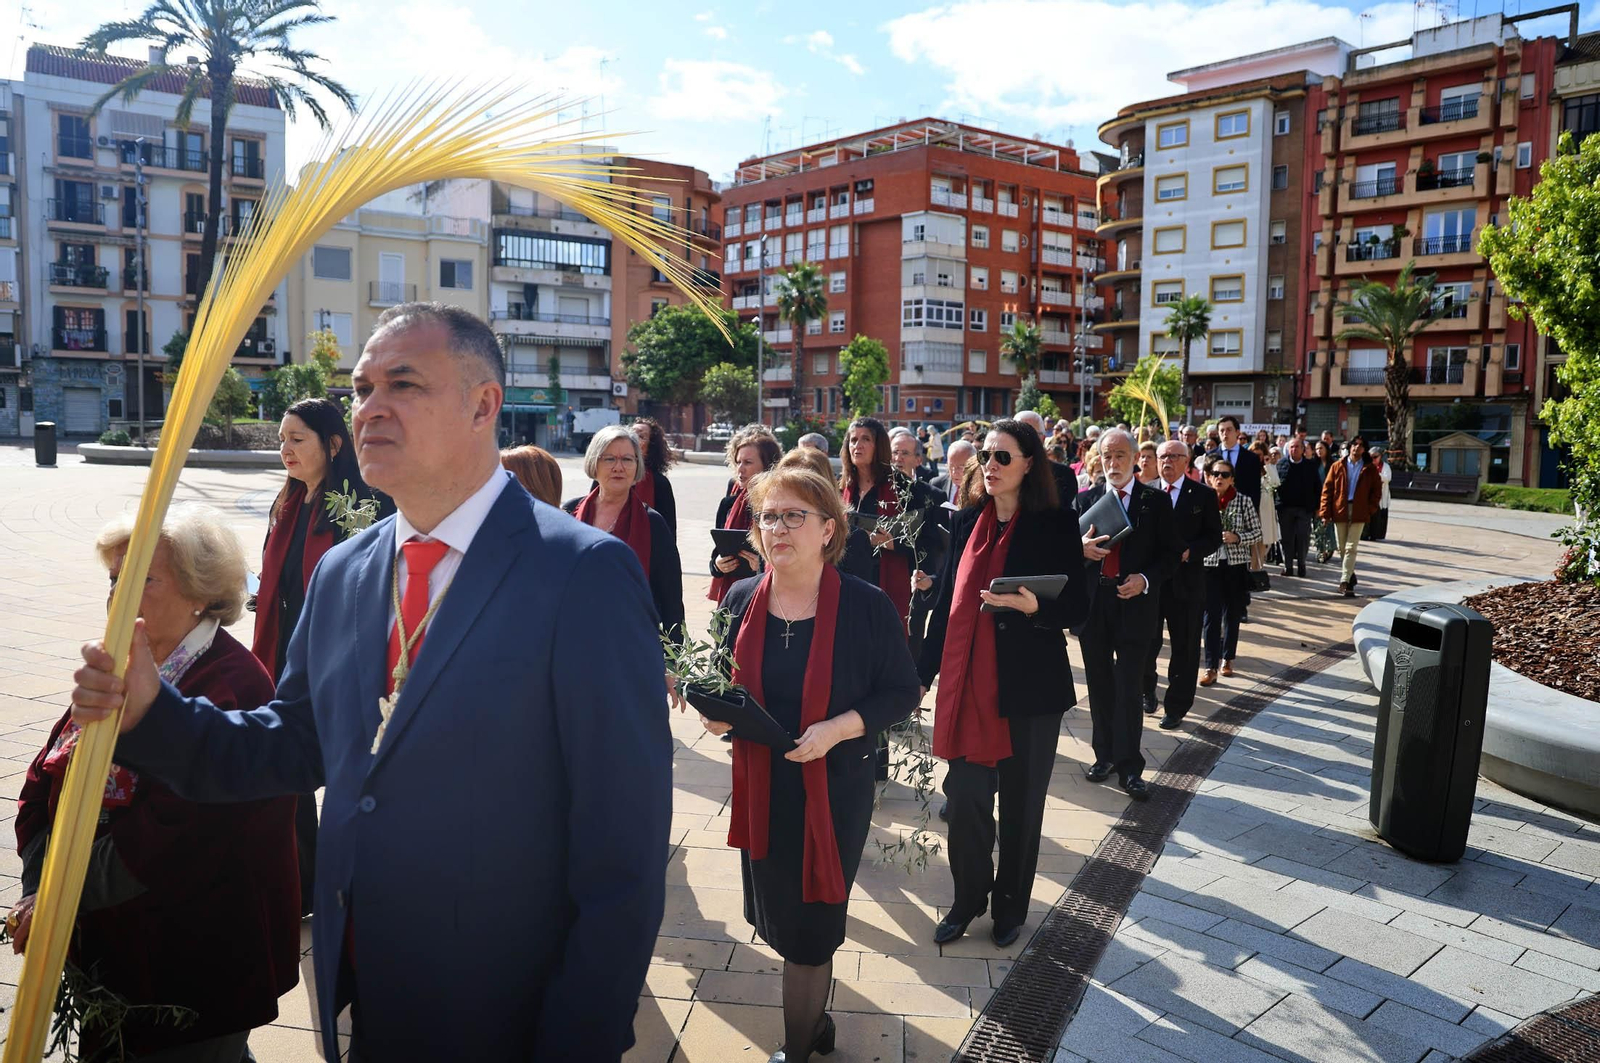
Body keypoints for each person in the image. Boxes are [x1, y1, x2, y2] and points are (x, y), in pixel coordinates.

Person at [69, 302, 672, 1061]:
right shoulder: (344, 570)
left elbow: (624, 848)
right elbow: (293, 742)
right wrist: (156, 713)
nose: (369, 409)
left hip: (508, 1007)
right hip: (365, 987)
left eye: (403, 384)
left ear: (483, 404)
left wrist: (580, 1037)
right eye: (360, 389)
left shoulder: (582, 574)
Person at [15, 505, 299, 1063]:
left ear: (200, 591)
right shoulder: (125, 663)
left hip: (190, 962)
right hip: (111, 952)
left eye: (141, 578)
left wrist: (62, 893)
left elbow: (181, 834)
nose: (119, 593)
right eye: (115, 578)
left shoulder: (232, 680)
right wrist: (38, 881)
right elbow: (46, 774)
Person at [692, 467, 918, 1063]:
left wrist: (839, 729)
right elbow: (725, 684)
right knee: (779, 918)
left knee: (812, 931)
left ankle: (798, 1048)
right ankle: (816, 1027)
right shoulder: (741, 598)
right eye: (769, 516)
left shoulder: (867, 607)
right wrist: (717, 716)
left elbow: (902, 691)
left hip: (833, 788)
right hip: (764, 786)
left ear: (828, 530)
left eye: (795, 516)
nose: (779, 527)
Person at [918, 419, 1086, 946]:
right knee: (965, 801)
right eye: (985, 457)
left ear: (1030, 464)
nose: (990, 466)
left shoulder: (1056, 524)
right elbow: (947, 602)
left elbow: (1079, 607)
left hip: (1029, 692)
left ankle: (1010, 908)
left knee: (1020, 808)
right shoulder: (967, 522)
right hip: (968, 688)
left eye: (1003, 458)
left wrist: (1036, 609)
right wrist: (919, 673)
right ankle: (968, 899)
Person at [254, 396, 376, 918]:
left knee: (348, 773)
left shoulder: (360, 509)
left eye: (296, 439)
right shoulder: (287, 504)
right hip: (284, 656)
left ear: (333, 444)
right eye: (281, 439)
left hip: (338, 660)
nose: (285, 449)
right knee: (290, 772)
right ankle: (303, 886)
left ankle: (359, 881)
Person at [1074, 428, 1182, 800]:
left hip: (1135, 604)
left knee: (1130, 686)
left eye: (1121, 455)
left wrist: (1145, 579)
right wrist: (1081, 551)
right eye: (1107, 455)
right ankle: (1103, 756)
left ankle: (1130, 767)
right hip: (1095, 604)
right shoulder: (1085, 498)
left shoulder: (1155, 501)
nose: (1113, 462)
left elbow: (1171, 556)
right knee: (1099, 686)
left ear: (1136, 459)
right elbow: (1066, 553)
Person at [565, 424, 685, 643]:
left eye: (627, 459)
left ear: (637, 466)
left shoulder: (653, 523)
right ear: (594, 462)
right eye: (609, 459)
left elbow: (672, 600)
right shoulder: (569, 514)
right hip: (573, 639)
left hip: (632, 645)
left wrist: (673, 661)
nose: (619, 467)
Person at [1142, 441, 1221, 729]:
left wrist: (1190, 551)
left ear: (1186, 462)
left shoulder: (1202, 495)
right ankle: (1146, 689)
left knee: (1185, 648)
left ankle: (1176, 706)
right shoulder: (1146, 492)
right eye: (1163, 456)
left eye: (1174, 456)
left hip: (1187, 584)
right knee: (1146, 642)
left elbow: (1213, 538)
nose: (1167, 461)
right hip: (1152, 582)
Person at [840, 418, 918, 633]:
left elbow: (920, 542)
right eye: (853, 440)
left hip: (884, 579)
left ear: (879, 445)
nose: (858, 445)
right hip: (847, 581)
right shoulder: (842, 487)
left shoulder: (902, 488)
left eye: (866, 439)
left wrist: (888, 542)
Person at [1200, 457, 1262, 685]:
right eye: (1216, 473)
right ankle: (1210, 665)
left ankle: (1228, 658)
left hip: (1236, 565)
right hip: (1210, 565)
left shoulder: (1243, 501)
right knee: (1210, 616)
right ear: (1209, 476)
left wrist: (1237, 538)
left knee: (1232, 614)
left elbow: (1256, 533)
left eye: (1225, 475)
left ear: (1232, 479)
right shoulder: (1204, 500)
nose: (1219, 478)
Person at [712, 425, 782, 605]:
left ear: (767, 465)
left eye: (748, 462)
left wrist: (762, 565)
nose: (740, 469)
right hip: (732, 599)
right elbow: (716, 554)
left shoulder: (782, 507)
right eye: (738, 462)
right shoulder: (728, 504)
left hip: (770, 597)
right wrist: (718, 565)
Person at [1319, 435, 1383, 597]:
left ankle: (1344, 581)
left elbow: (1377, 491)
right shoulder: (1337, 465)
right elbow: (1327, 490)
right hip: (1340, 508)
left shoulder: (1369, 469)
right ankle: (1350, 574)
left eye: (1361, 445)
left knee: (1350, 547)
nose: (1357, 448)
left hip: (1359, 510)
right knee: (1341, 547)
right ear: (1350, 447)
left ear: (1364, 449)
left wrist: (1370, 509)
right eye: (1354, 444)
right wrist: (1325, 512)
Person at [1275, 438, 1319, 578]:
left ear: (1303, 449)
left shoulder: (1310, 466)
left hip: (1304, 509)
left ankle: (1301, 564)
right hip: (1285, 508)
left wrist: (1317, 507)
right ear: (1288, 449)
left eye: (1297, 447)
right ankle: (1288, 566)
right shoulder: (1281, 464)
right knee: (1286, 539)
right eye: (1292, 447)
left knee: (1303, 537)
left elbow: (1317, 487)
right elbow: (1275, 485)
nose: (1294, 449)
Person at [630, 416, 678, 534]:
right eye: (630, 434)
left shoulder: (659, 483)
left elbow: (668, 530)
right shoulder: (607, 475)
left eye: (641, 436)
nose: (633, 439)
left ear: (651, 447)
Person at [1250, 440, 1279, 573]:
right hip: (1250, 507)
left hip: (1265, 508)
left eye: (1260, 455)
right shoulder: (1247, 467)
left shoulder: (1268, 468)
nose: (1258, 458)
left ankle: (1258, 568)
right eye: (1255, 455)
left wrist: (1267, 465)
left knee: (1262, 540)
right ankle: (1249, 567)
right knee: (1250, 539)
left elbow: (1275, 483)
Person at [931, 439, 975, 504]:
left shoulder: (981, 489)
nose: (954, 472)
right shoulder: (936, 485)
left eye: (960, 467)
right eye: (951, 466)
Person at [1363, 448, 1393, 542]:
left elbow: (1387, 478)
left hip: (1380, 496)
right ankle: (1364, 534)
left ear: (1380, 457)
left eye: (1375, 457)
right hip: (1367, 497)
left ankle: (1376, 535)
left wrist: (1377, 474)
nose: (1373, 459)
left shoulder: (1385, 467)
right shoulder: (1366, 466)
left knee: (1378, 516)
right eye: (1371, 457)